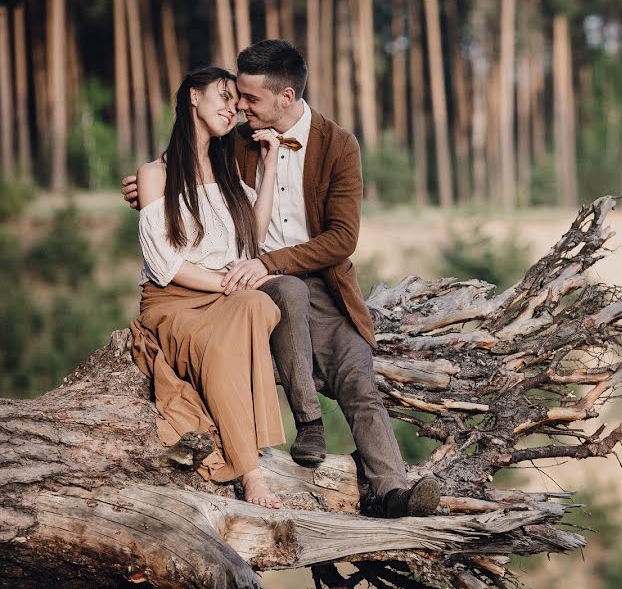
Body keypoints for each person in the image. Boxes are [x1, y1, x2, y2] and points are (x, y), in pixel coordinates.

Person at [124, 40, 439, 518]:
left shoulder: (338, 145)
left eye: (248, 99)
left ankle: (393, 492)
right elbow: (186, 168)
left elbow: (342, 238)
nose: (239, 108)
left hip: (314, 282)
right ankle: (306, 425)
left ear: (285, 96)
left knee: (358, 379)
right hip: (250, 283)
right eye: (234, 98)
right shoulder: (238, 141)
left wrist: (269, 264)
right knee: (277, 298)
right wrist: (146, 189)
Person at [129, 66, 287, 509]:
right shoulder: (154, 174)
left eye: (237, 102)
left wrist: (270, 164)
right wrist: (226, 282)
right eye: (224, 95)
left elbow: (252, 237)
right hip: (174, 302)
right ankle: (252, 474)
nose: (233, 106)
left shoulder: (227, 171)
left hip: (226, 297)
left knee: (258, 303)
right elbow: (165, 263)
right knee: (226, 337)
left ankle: (252, 450)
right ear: (192, 97)